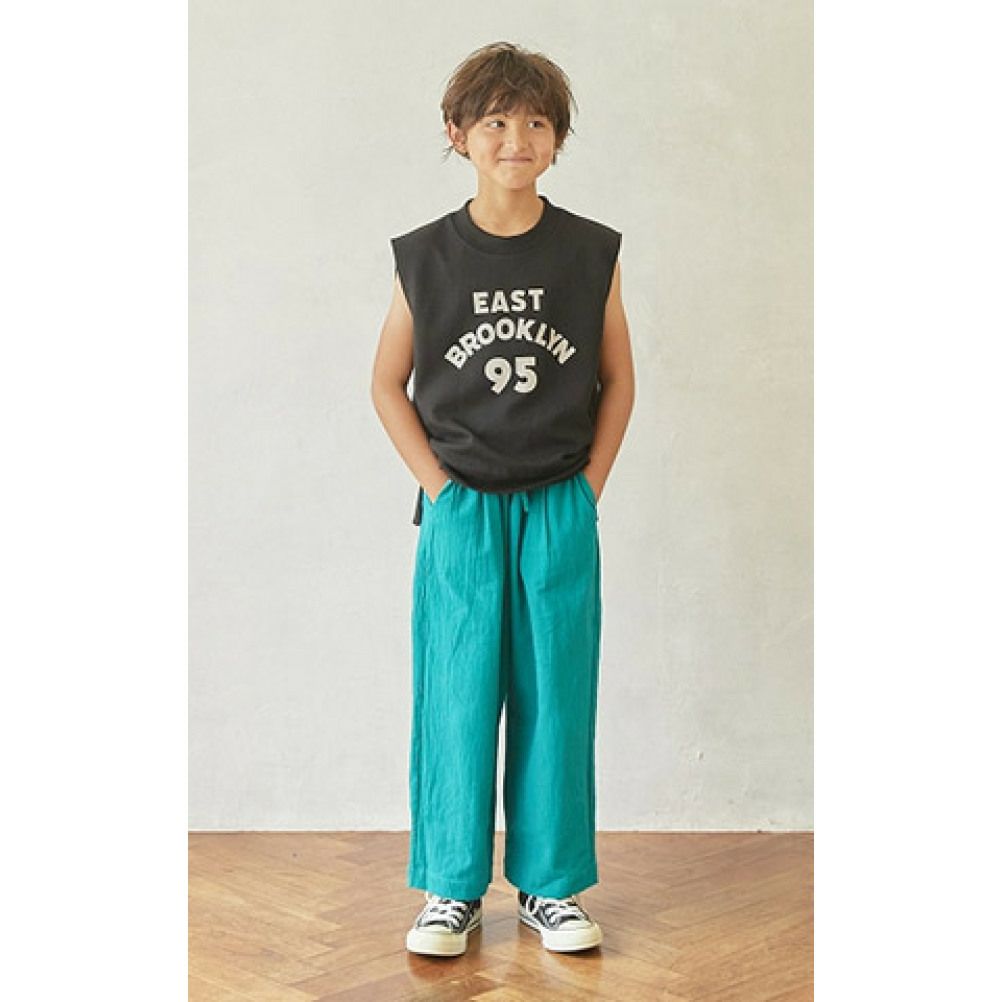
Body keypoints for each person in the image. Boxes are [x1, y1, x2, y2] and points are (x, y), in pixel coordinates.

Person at [370, 40, 635, 957]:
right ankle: (449, 888)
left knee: (556, 695)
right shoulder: (426, 256)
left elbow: (618, 380)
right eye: (495, 121)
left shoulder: (590, 251)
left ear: (558, 138)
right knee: (455, 694)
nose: (515, 138)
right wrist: (439, 491)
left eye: (535, 122)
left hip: (558, 503)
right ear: (458, 134)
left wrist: (587, 490)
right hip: (463, 511)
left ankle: (550, 887)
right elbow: (386, 384)